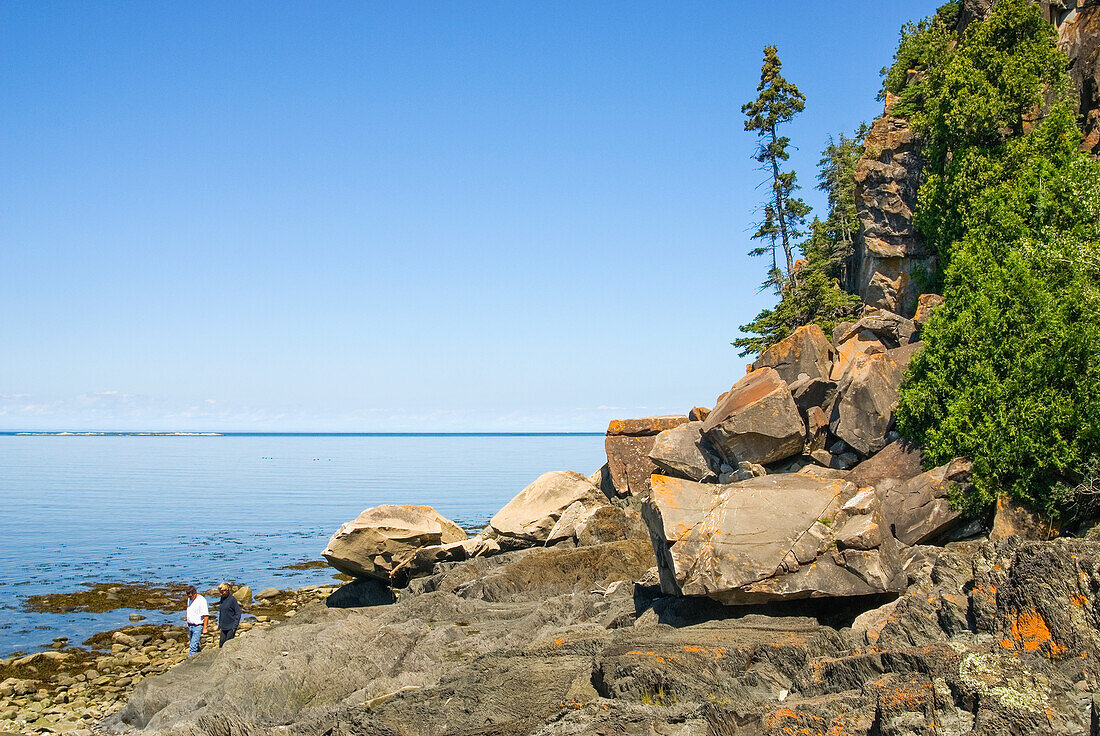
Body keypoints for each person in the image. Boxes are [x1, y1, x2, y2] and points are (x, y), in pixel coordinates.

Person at [184, 585, 209, 657]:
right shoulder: (189, 599)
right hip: (190, 625)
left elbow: (206, 615)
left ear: (195, 594)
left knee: (193, 646)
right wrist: (187, 622)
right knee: (194, 644)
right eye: (188, 596)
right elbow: (189, 610)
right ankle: (200, 656)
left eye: (191, 596)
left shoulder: (201, 600)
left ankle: (189, 662)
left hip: (198, 626)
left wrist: (205, 627)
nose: (189, 598)